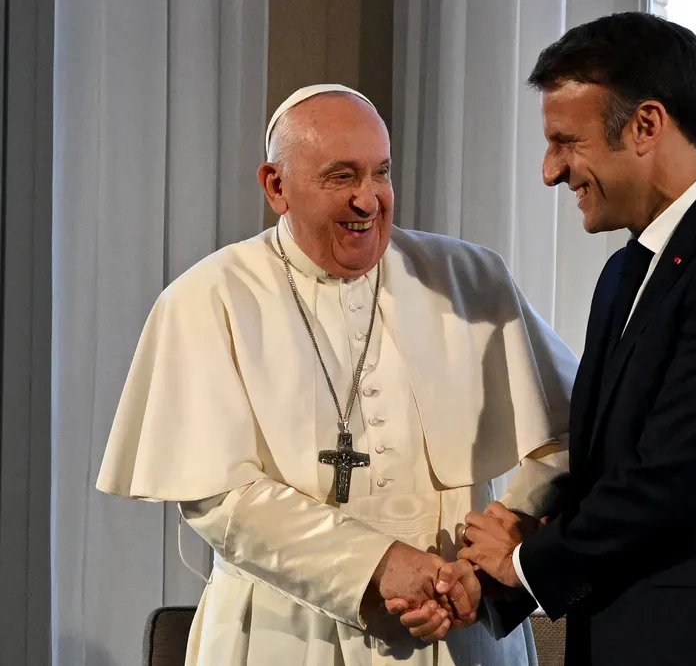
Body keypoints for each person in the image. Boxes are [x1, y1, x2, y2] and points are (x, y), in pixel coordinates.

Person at [96, 83, 577, 666]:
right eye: (342, 177)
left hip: (454, 631)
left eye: (381, 173)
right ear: (276, 186)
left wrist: (491, 559)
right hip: (283, 635)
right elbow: (217, 496)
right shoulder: (208, 298)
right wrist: (376, 565)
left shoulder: (468, 279)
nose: (369, 200)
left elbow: (566, 434)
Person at [446, 13, 696, 666]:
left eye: (565, 141)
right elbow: (604, 469)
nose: (549, 171)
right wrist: (494, 569)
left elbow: (674, 475)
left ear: (645, 126)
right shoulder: (623, 273)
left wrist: (523, 560)